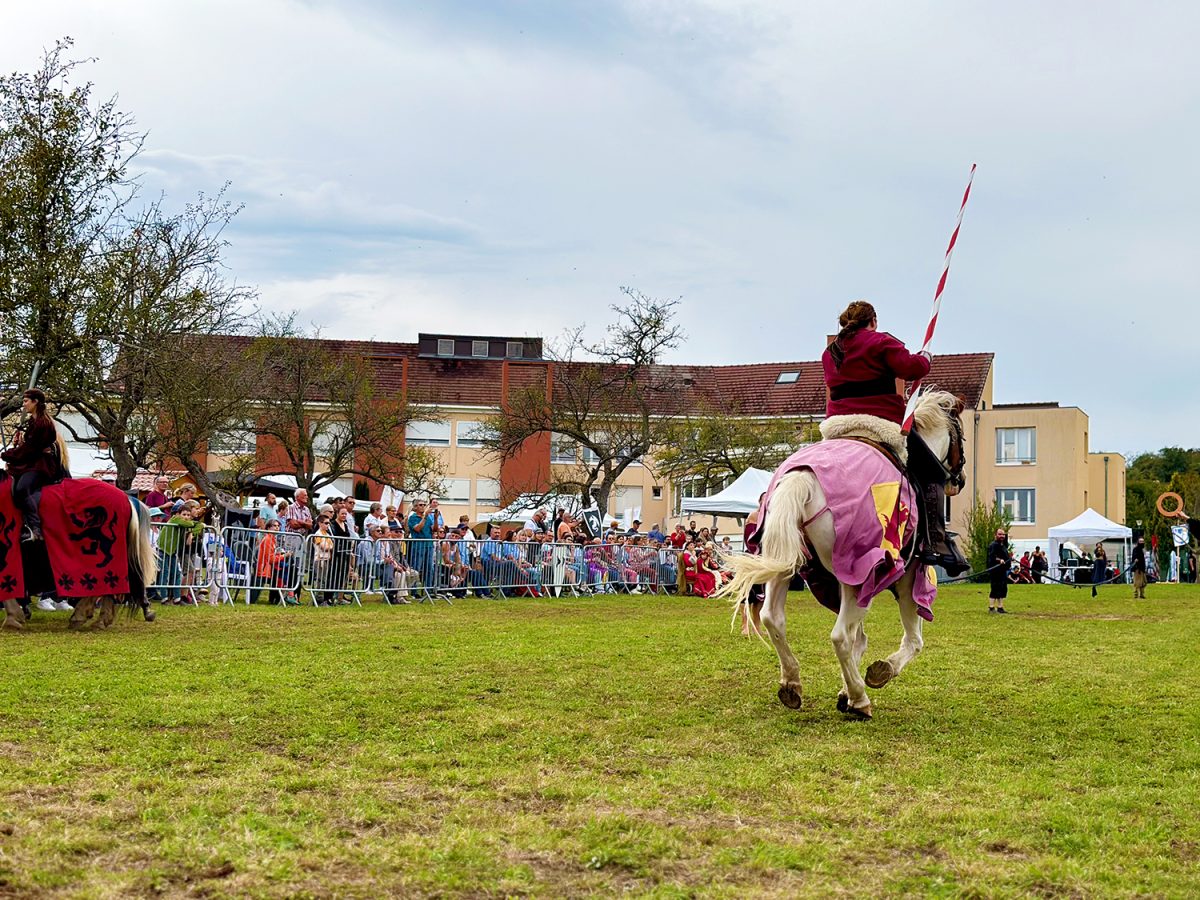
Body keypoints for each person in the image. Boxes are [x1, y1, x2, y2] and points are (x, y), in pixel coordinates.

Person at [821, 300, 966, 575]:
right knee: (931, 473)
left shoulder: (830, 353)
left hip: (838, 426)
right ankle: (934, 542)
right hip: (879, 422)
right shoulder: (880, 342)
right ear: (873, 320)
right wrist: (926, 358)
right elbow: (912, 369)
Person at [2, 389, 67, 542]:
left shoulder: (43, 423)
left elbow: (31, 449)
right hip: (33, 462)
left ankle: (35, 528)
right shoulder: (33, 421)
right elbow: (29, 447)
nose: (23, 405)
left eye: (26, 401)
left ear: (35, 401)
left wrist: (9, 454)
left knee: (22, 488)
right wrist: (19, 445)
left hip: (41, 465)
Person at [987, 528, 1012, 614]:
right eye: (1000, 534)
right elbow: (992, 557)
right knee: (995, 588)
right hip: (995, 571)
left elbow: (1005, 556)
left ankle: (1000, 607)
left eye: (1003, 534)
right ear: (996, 535)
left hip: (1002, 571)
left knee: (1002, 588)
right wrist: (999, 560)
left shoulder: (1003, 545)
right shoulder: (993, 545)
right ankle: (991, 607)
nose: (1002, 536)